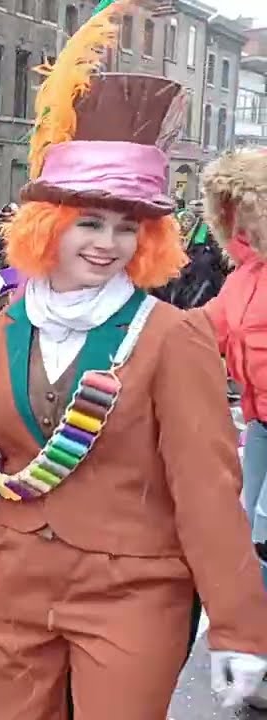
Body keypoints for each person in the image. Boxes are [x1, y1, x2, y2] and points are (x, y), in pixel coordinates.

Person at [0, 56, 267, 716]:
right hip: (11, 578)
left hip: (131, 591)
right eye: (90, 222)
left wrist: (241, 626)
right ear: (49, 225)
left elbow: (208, 493)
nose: (109, 243)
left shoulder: (170, 336)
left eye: (127, 226)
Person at [201, 149, 267, 597]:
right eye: (234, 214)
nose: (242, 224)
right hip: (261, 424)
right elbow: (206, 328)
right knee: (253, 532)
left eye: (251, 211)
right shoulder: (246, 275)